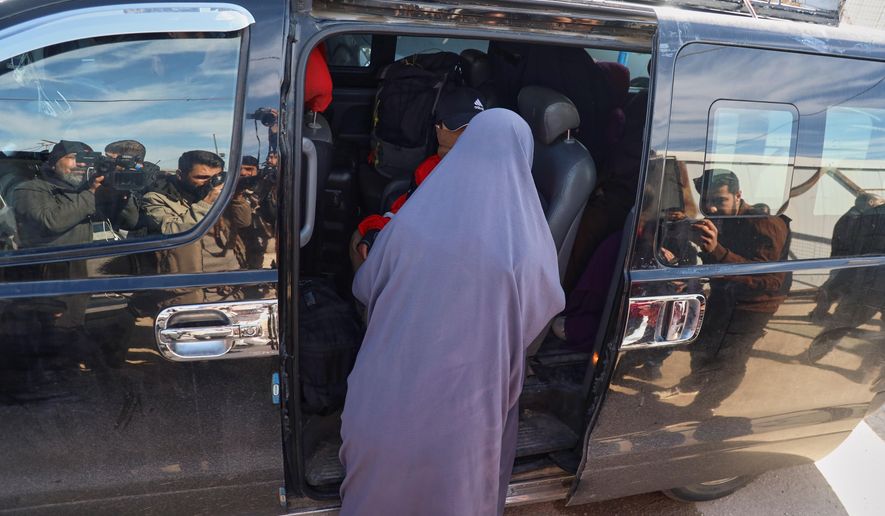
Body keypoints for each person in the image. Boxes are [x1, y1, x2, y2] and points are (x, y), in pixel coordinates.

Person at [339, 109, 564, 516]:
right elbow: (538, 316)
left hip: (381, 408)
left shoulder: (410, 223)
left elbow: (366, 287)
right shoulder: (529, 247)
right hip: (469, 414)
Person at [660, 169, 791, 412]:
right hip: (725, 294)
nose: (712, 208)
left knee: (730, 360)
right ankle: (697, 381)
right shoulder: (722, 218)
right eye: (707, 201)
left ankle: (704, 407)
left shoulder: (765, 223)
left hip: (754, 305)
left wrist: (716, 250)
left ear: (738, 195)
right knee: (702, 346)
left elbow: (770, 279)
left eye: (720, 200)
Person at [349, 86, 486, 270]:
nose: (471, 135)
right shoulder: (428, 169)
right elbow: (402, 213)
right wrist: (377, 229)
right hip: (422, 249)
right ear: (438, 127)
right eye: (462, 128)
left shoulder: (498, 177)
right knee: (359, 239)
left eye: (478, 128)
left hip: (462, 263)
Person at [141, 150, 225, 305]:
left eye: (215, 178)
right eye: (201, 177)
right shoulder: (156, 197)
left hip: (224, 280)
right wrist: (206, 203)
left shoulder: (222, 194)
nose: (209, 184)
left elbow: (244, 223)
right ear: (180, 175)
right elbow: (171, 230)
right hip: (185, 284)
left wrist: (237, 199)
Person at [14, 140, 110, 248]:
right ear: (53, 164)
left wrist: (118, 190)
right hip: (50, 257)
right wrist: (92, 194)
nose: (82, 164)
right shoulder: (30, 188)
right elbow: (49, 222)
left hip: (87, 256)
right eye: (73, 157)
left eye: (87, 159)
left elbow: (122, 221)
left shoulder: (86, 189)